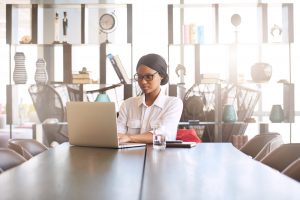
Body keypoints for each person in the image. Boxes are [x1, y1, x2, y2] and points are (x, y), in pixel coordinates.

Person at [117, 53, 183, 143]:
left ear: (161, 75)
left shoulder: (173, 103)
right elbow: (118, 135)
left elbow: (164, 135)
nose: (143, 82)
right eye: (140, 77)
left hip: (161, 155)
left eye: (148, 77)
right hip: (131, 156)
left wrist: (130, 138)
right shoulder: (127, 104)